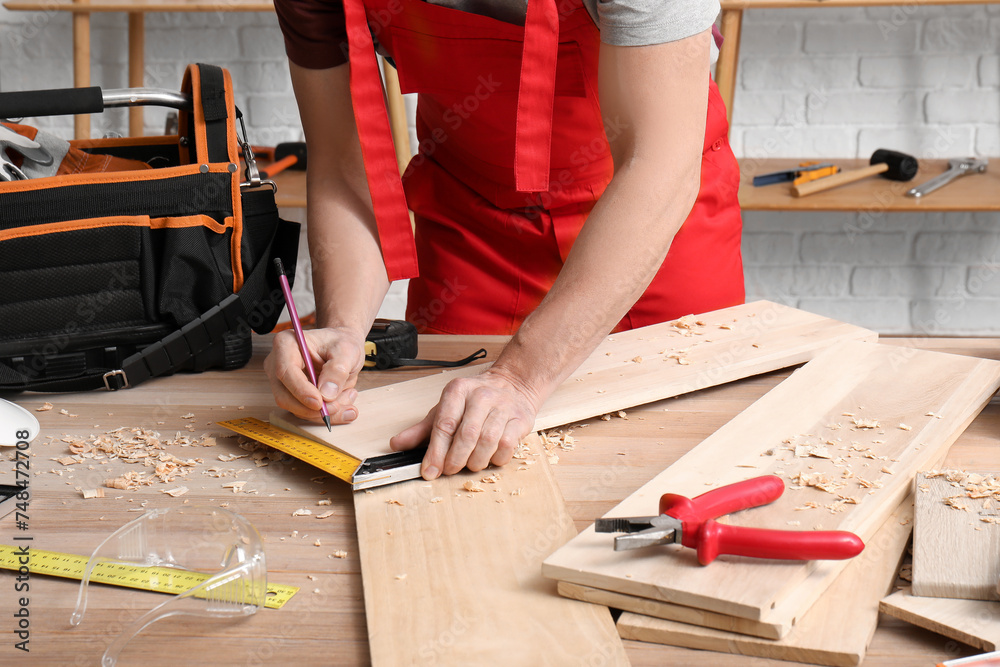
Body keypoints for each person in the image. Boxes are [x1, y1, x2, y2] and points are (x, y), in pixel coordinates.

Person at [265, 0, 744, 481]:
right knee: (448, 463)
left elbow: (659, 167)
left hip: (653, 215)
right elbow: (344, 164)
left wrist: (519, 377)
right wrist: (346, 329)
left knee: (689, 457)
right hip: (473, 226)